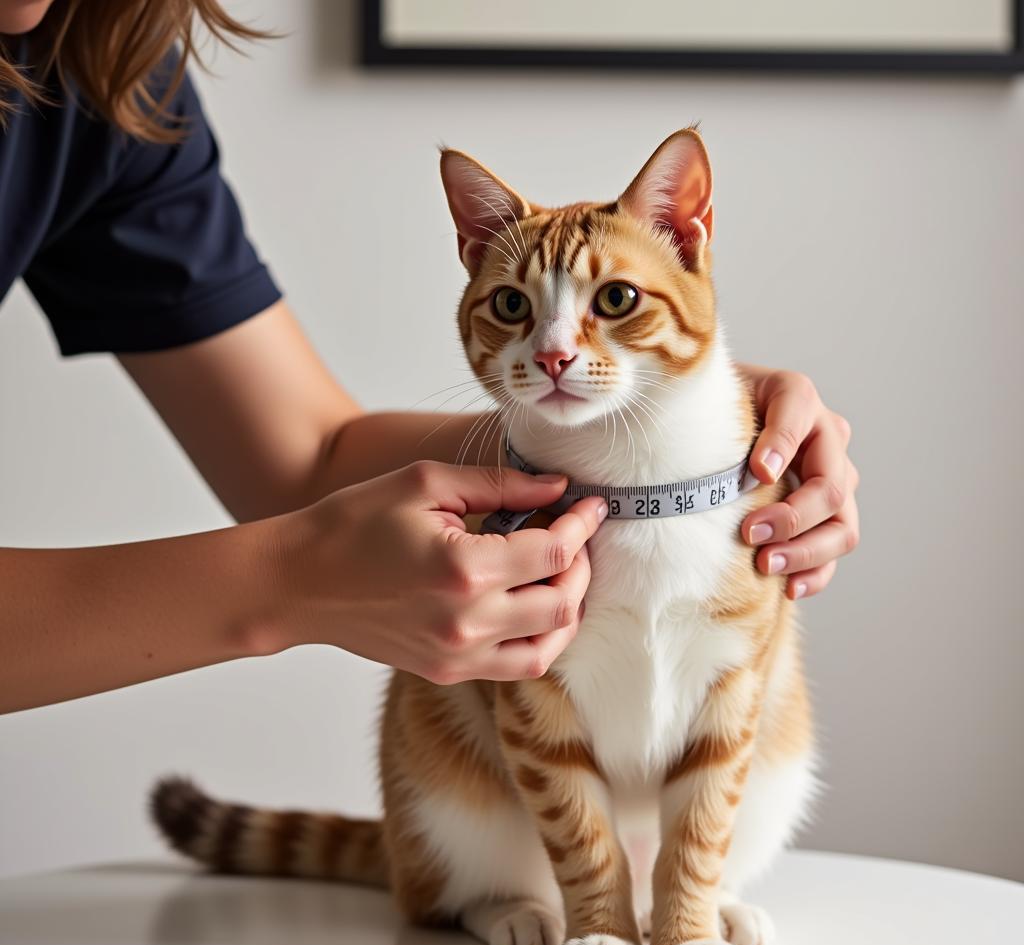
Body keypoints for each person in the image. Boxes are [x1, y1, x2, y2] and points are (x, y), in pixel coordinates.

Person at [0, 1, 859, 715]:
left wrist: (679, 427)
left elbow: (309, 460)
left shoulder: (103, 71)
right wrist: (285, 582)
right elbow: (306, 521)